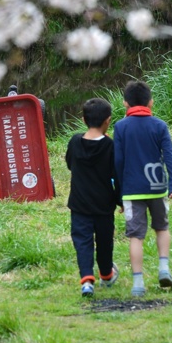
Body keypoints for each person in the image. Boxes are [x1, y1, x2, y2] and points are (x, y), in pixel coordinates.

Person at [113, 80, 172, 297]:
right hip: (158, 187)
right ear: (151, 102)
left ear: (125, 103)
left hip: (131, 189)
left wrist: (119, 194)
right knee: (162, 228)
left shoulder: (120, 127)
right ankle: (164, 269)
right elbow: (169, 156)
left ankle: (138, 284)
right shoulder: (160, 125)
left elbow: (118, 161)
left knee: (135, 236)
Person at [65, 97, 121, 297]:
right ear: (108, 121)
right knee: (105, 241)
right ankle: (106, 274)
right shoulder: (110, 146)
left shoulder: (74, 142)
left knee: (82, 241)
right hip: (104, 205)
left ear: (83, 119)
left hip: (79, 205)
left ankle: (87, 280)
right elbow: (117, 175)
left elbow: (70, 164)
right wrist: (121, 200)